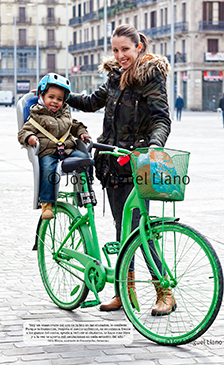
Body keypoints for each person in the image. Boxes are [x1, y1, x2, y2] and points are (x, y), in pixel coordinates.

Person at [67, 24, 172, 315]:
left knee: (141, 230)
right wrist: (62, 94)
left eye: (125, 49)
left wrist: (154, 145)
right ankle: (125, 293)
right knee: (121, 230)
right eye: (115, 50)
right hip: (111, 163)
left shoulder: (150, 77)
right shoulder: (114, 77)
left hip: (136, 162)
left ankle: (165, 291)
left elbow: (162, 118)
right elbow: (91, 102)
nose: (120, 55)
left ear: (139, 47)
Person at [18, 73, 91, 219]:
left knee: (85, 159)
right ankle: (46, 203)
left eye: (59, 99)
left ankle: (84, 191)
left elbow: (75, 125)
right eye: (51, 97)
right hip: (48, 152)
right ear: (41, 96)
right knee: (48, 171)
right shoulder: (36, 115)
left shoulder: (65, 114)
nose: (55, 102)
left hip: (68, 149)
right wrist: (30, 137)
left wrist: (82, 133)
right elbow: (23, 132)